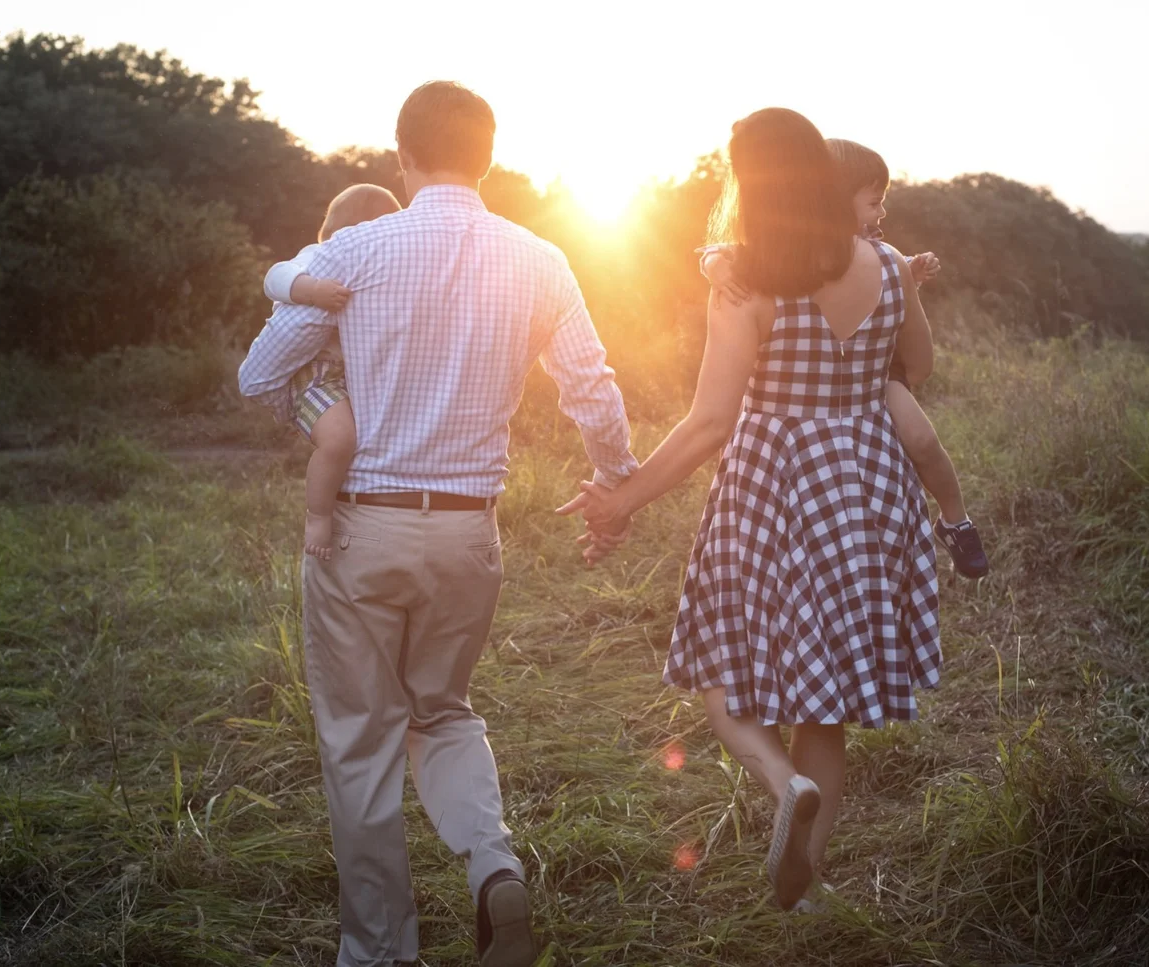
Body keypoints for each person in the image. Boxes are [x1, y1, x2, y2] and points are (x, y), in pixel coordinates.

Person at [240, 80, 638, 967]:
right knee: (444, 713)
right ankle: (494, 867)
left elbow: (260, 372)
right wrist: (617, 482)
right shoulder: (540, 258)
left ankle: (381, 953)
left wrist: (329, 413)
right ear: (487, 156)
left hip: (361, 533)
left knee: (360, 744)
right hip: (469, 535)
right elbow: (592, 388)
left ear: (403, 155)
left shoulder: (358, 248)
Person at [560, 108, 942, 912]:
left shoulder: (745, 278)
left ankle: (781, 780)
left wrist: (622, 495)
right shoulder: (881, 260)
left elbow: (708, 421)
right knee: (825, 703)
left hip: (774, 487)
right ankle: (805, 885)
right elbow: (916, 365)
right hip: (870, 486)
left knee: (721, 671)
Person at [700, 139, 989, 578]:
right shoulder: (784, 254)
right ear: (833, 199)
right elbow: (719, 251)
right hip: (833, 378)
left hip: (878, 370)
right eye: (875, 203)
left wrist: (911, 279)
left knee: (923, 440)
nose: (882, 214)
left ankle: (955, 520)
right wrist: (713, 266)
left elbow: (909, 341)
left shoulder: (881, 253)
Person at [255, 184, 401, 560]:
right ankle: (318, 516)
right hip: (315, 374)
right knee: (338, 440)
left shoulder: (384, 274)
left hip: (351, 378)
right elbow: (274, 277)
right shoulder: (319, 256)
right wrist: (312, 290)